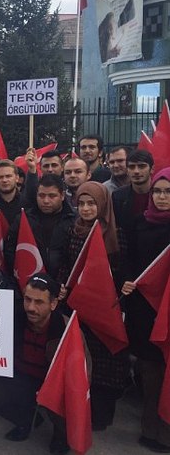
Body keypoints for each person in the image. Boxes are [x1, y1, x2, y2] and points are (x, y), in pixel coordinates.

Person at [0, 274, 87, 454]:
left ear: (53, 304)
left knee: (66, 399)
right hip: (21, 377)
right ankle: (25, 420)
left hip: (53, 384)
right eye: (27, 299)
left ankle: (60, 434)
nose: (31, 308)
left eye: (39, 302)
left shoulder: (68, 332)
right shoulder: (10, 317)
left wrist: (57, 391)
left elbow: (83, 373)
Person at [56, 181, 128, 433]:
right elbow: (66, 262)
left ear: (103, 204)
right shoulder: (73, 231)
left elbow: (121, 272)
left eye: (92, 203)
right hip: (77, 305)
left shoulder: (115, 233)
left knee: (105, 363)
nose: (86, 209)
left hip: (105, 308)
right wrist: (63, 286)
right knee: (82, 359)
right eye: (82, 204)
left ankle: (100, 416)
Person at [120, 168, 170, 453]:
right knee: (150, 369)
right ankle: (150, 426)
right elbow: (128, 258)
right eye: (158, 192)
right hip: (144, 306)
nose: (162, 197)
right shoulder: (139, 223)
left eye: (168, 192)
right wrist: (128, 280)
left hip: (168, 307)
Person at [4, 174, 76, 280]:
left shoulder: (74, 220)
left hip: (62, 283)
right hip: (29, 281)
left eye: (52, 196)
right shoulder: (24, 219)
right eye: (41, 196)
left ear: (62, 196)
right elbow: (10, 250)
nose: (46, 201)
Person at [112, 149, 154, 235]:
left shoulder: (162, 194)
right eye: (131, 167)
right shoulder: (118, 196)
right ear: (127, 170)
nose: (136, 171)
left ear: (152, 169)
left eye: (141, 166)